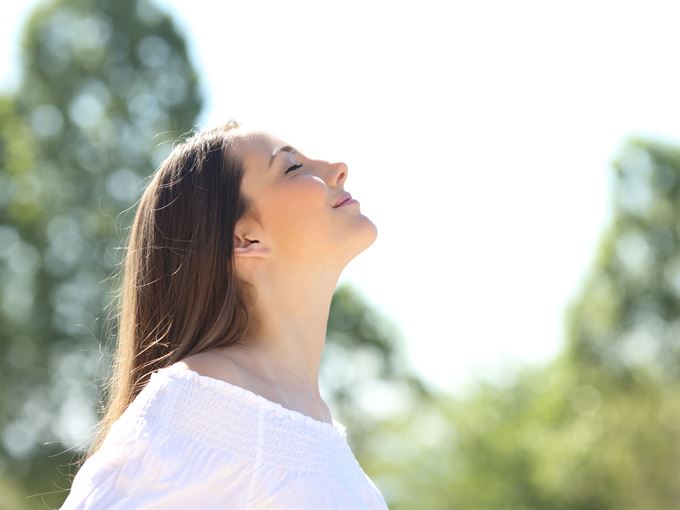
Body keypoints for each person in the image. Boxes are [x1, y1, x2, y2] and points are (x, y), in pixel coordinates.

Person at [59, 120, 388, 509]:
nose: (337, 167)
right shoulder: (198, 404)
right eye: (291, 168)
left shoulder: (314, 427)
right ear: (244, 239)